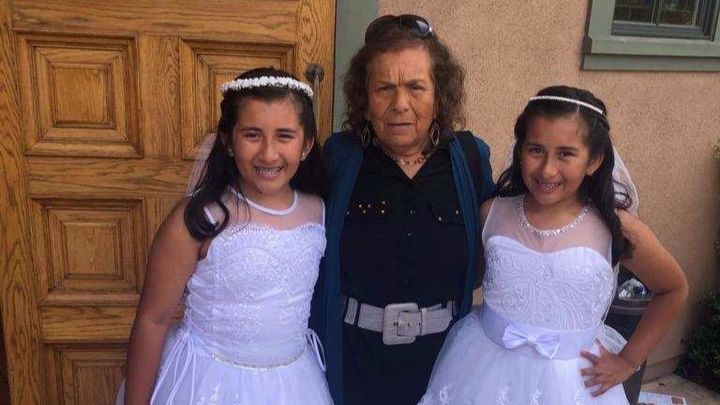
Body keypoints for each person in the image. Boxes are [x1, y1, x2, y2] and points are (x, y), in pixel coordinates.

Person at [420, 85, 689, 404]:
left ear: (594, 160)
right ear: (520, 150)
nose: (547, 169)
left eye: (566, 154)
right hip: (484, 370)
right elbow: (472, 276)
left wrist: (628, 361)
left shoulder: (614, 227)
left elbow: (673, 288)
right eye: (536, 150)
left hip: (573, 383)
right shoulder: (492, 213)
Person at [118, 67, 333, 404]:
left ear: (306, 144)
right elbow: (153, 320)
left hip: (294, 382)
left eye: (285, 136)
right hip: (207, 380)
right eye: (252, 135)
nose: (268, 153)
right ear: (228, 140)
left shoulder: (317, 210)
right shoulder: (201, 219)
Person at [310, 14, 495, 405]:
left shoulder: (470, 158)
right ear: (365, 100)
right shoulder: (339, 159)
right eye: (384, 88)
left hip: (444, 364)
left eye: (415, 87)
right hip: (355, 362)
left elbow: (512, 234)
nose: (400, 104)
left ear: (439, 96)